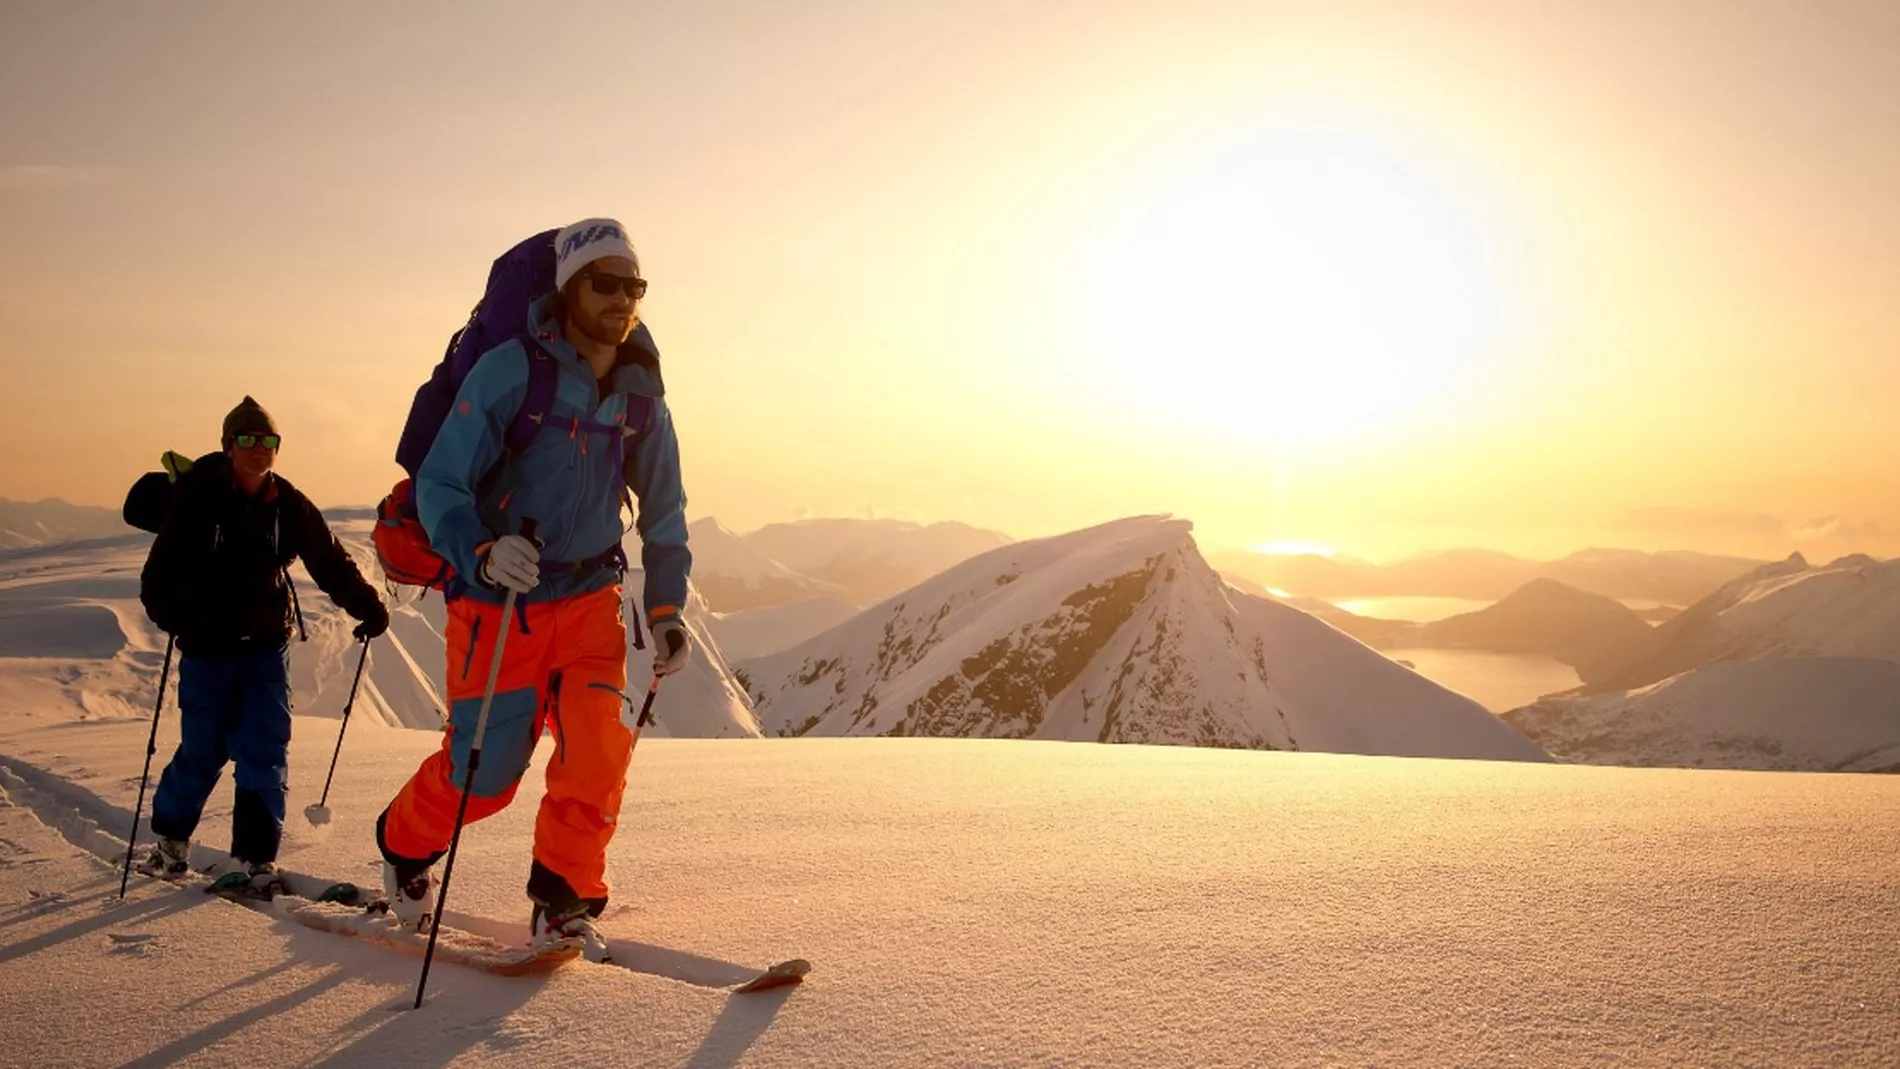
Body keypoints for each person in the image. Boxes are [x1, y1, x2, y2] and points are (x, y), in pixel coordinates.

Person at [375, 217, 692, 959]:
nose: (622, 298)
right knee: (482, 776)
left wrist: (668, 608)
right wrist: (482, 553)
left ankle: (562, 901)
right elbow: (441, 483)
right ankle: (400, 841)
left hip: (589, 600)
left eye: (634, 286)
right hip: (499, 602)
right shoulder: (512, 371)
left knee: (596, 752)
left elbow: (667, 512)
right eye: (605, 283)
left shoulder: (641, 395)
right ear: (569, 289)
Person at [137, 396, 390, 882]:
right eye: (249, 440)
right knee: (203, 749)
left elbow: (329, 560)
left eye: (268, 441)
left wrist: (368, 607)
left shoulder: (288, 504)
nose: (259, 450)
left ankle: (256, 858)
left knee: (264, 748)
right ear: (229, 446)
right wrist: (179, 619)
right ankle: (170, 840)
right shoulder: (197, 497)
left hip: (265, 647)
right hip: (208, 649)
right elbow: (159, 577)